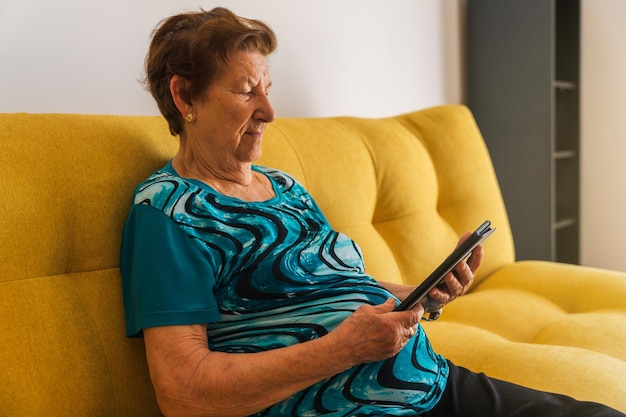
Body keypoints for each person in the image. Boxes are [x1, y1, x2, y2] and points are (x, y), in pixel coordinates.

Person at [120, 7, 625, 417]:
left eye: (267, 90)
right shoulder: (168, 212)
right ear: (185, 94)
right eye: (246, 91)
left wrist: (419, 294)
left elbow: (334, 286)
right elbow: (184, 394)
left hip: (434, 382)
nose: (269, 112)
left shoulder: (284, 186)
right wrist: (342, 349)